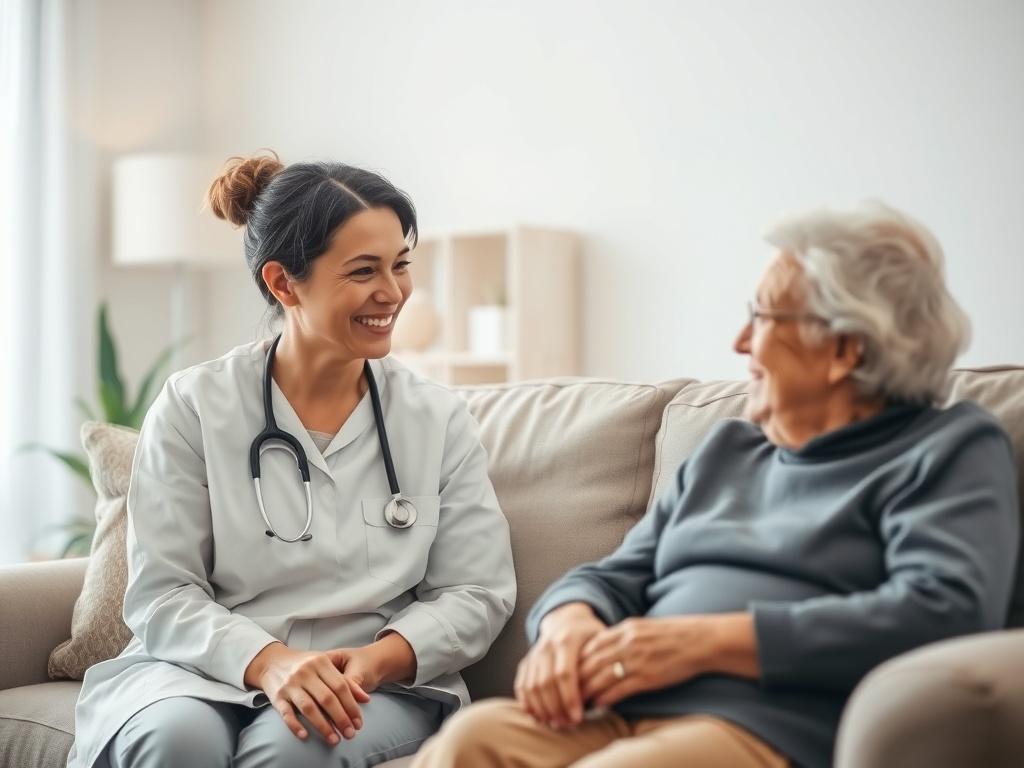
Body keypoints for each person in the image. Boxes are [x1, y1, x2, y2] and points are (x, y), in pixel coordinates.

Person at [411, 201, 1020, 768]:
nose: (740, 342)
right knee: (471, 739)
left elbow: (942, 608)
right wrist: (568, 624)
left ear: (844, 349)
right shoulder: (729, 451)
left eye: (762, 317)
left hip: (769, 727)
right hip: (618, 712)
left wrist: (704, 643)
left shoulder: (947, 448)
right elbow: (614, 575)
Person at [66, 151, 516, 768]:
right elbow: (164, 592)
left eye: (401, 265)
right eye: (363, 271)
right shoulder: (197, 405)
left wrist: (374, 660)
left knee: (293, 749)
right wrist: (270, 662)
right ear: (282, 283)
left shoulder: (435, 419)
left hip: (370, 676)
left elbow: (476, 591)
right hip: (204, 667)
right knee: (175, 744)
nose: (392, 293)